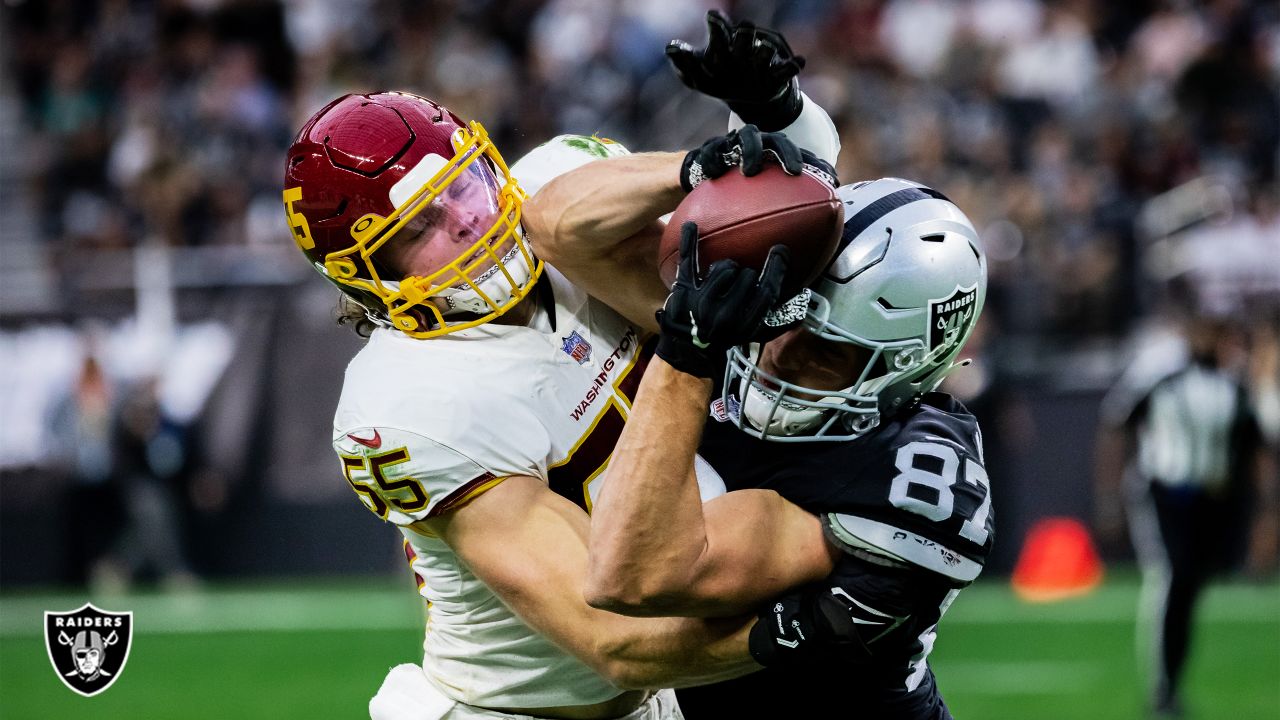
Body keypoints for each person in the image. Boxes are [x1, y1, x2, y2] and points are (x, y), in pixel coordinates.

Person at [282, 13, 846, 720]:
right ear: (369, 280)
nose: (464, 220)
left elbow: (785, 215)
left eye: (464, 186)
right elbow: (613, 638)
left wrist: (774, 122)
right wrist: (819, 617)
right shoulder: (407, 400)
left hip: (659, 699)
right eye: (418, 228)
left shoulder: (562, 190)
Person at [534, 166, 993, 719]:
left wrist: (686, 356)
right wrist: (696, 164)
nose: (780, 354)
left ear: (906, 370)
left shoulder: (896, 472)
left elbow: (631, 578)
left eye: (826, 351)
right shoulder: (749, 326)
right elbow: (551, 229)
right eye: (789, 316)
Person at [1095, 313, 1276, 719]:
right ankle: (1163, 692)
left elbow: (1256, 446)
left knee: (1190, 586)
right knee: (1171, 577)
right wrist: (1109, 498)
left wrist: (1265, 514)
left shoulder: (1235, 379)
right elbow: (1116, 423)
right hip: (1163, 491)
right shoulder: (1160, 371)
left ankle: (1171, 684)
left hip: (1211, 501)